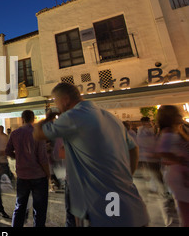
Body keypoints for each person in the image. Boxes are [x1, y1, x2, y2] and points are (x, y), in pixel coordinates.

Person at [35, 82, 149, 227]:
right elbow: (134, 149)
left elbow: (38, 133)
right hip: (131, 203)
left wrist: (48, 117)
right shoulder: (110, 117)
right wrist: (127, 176)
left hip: (105, 204)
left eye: (56, 101)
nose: (56, 105)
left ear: (65, 100)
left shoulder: (74, 116)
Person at [6, 110, 50, 227]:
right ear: (33, 119)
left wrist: (18, 156)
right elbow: (42, 157)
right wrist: (48, 174)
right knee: (39, 208)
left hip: (22, 175)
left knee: (20, 206)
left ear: (22, 119)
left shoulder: (15, 133)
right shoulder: (37, 133)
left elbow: (8, 151)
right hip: (38, 175)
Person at [156, 105, 189, 227]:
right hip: (181, 178)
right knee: (185, 211)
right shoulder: (168, 133)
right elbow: (162, 151)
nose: (180, 116)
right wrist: (178, 160)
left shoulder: (178, 131)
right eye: (177, 114)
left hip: (182, 176)